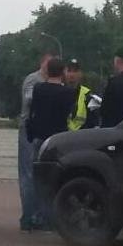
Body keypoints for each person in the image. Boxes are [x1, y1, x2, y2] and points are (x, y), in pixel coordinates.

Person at [26, 57, 78, 229]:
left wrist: (30, 134)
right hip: (59, 140)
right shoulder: (69, 93)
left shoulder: (39, 89)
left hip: (40, 138)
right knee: (58, 179)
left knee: (38, 180)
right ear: (63, 72)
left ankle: (39, 217)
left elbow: (32, 112)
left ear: (47, 72)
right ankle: (57, 219)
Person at [18, 51, 53, 231]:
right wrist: (48, 91)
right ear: (42, 63)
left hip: (41, 128)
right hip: (28, 129)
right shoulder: (33, 79)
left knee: (40, 173)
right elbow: (28, 99)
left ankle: (42, 215)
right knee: (28, 174)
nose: (50, 69)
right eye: (48, 65)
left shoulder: (50, 82)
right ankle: (29, 216)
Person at [66, 59, 98, 131]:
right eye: (69, 71)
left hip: (82, 136)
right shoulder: (58, 93)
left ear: (80, 74)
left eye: (75, 71)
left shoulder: (88, 95)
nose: (72, 74)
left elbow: (94, 122)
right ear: (64, 73)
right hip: (62, 136)